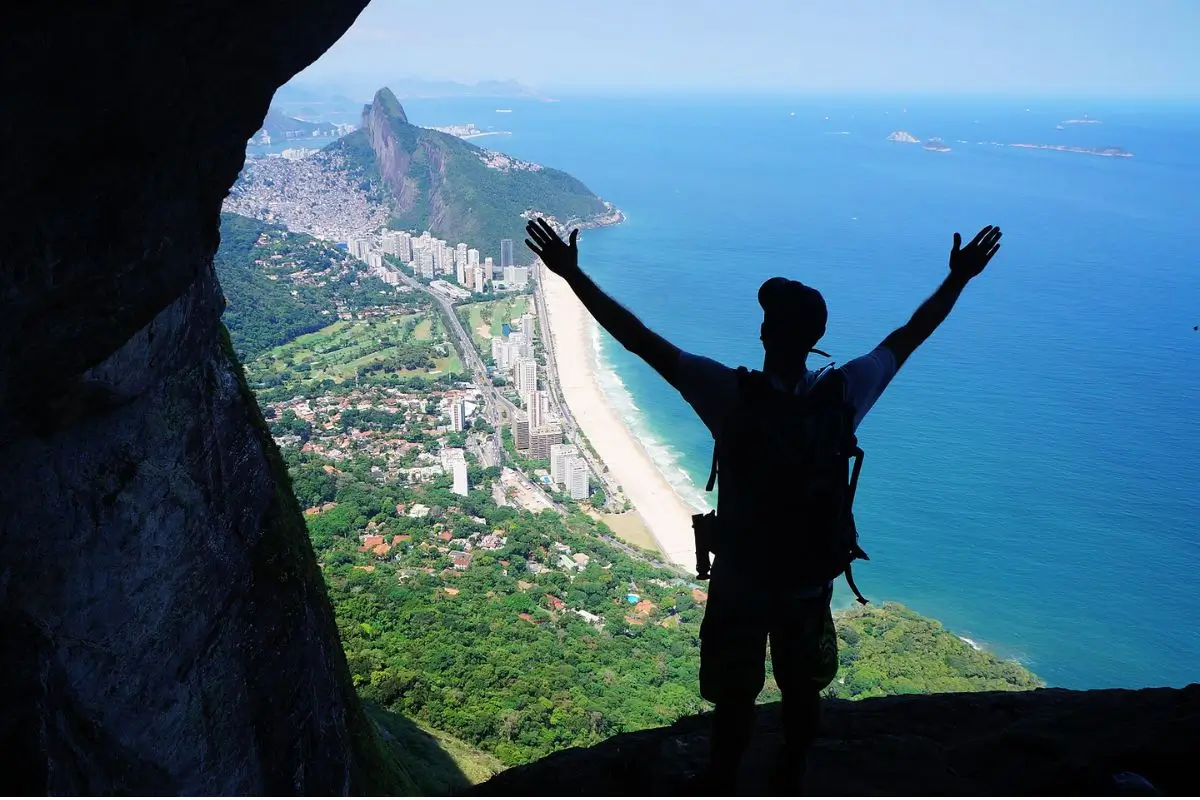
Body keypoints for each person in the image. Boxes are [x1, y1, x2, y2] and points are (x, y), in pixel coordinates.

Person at [525, 218, 1003, 794]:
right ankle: (792, 777)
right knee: (802, 695)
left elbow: (638, 339)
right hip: (807, 583)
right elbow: (908, 336)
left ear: (764, 334)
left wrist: (573, 275)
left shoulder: (727, 394)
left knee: (734, 699)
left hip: (742, 582)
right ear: (815, 338)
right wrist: (957, 280)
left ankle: (723, 780)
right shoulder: (843, 395)